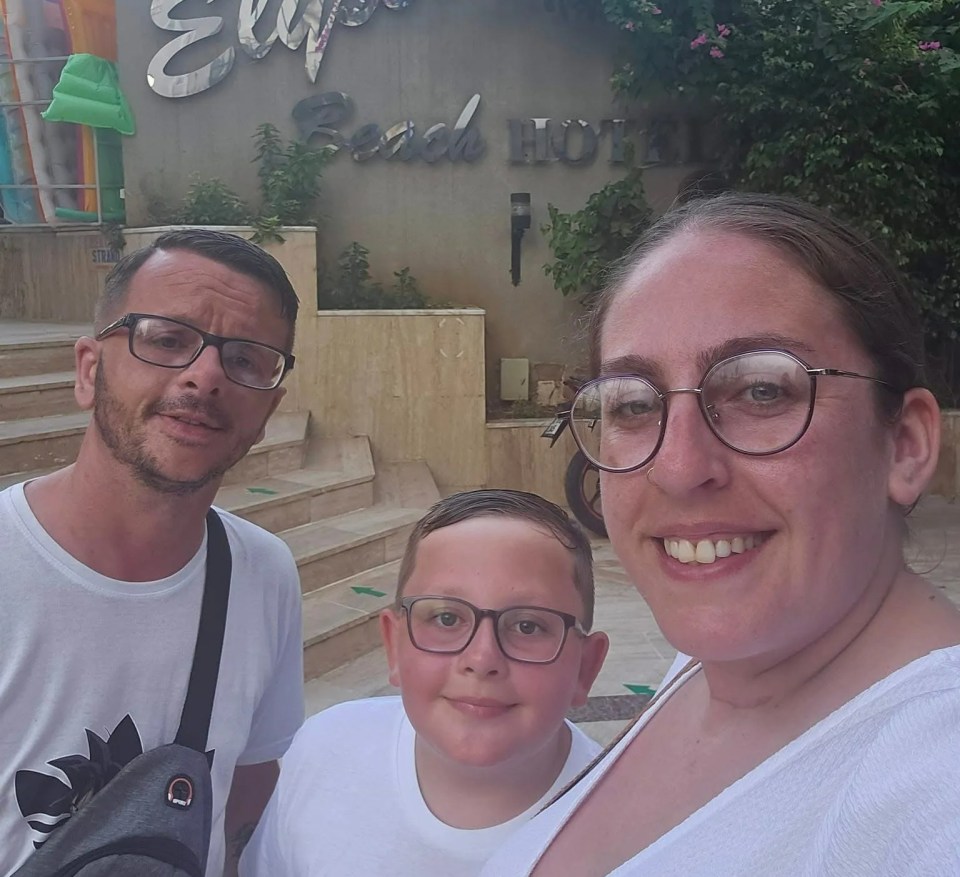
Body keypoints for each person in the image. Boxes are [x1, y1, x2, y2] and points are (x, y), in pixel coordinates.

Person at [481, 192, 960, 876]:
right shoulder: (722, 662)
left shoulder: (936, 786)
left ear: (906, 445)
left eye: (762, 391)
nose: (678, 468)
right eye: (635, 403)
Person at [0, 229, 305, 877]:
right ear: (89, 369)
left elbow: (247, 787)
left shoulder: (264, 573)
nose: (206, 375)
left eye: (248, 359)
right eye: (167, 339)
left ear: (269, 408)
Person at [240, 489, 610, 876]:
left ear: (586, 667)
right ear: (394, 646)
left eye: (527, 625)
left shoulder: (639, 838)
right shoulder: (322, 751)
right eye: (447, 619)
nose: (482, 660)